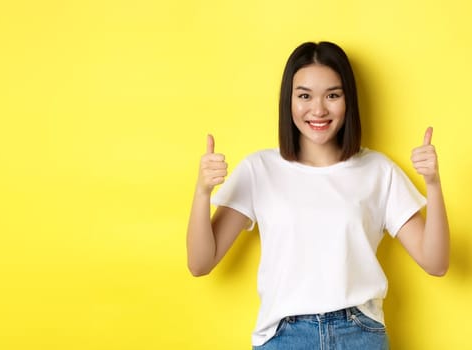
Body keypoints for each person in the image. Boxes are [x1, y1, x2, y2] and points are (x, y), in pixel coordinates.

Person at [185, 41, 450, 350]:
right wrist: (203, 192)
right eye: (305, 96)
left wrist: (433, 184)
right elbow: (200, 264)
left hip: (359, 334)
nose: (319, 109)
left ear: (347, 100)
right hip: (284, 337)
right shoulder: (260, 169)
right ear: (289, 101)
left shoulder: (378, 170)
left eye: (333, 95)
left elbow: (436, 262)